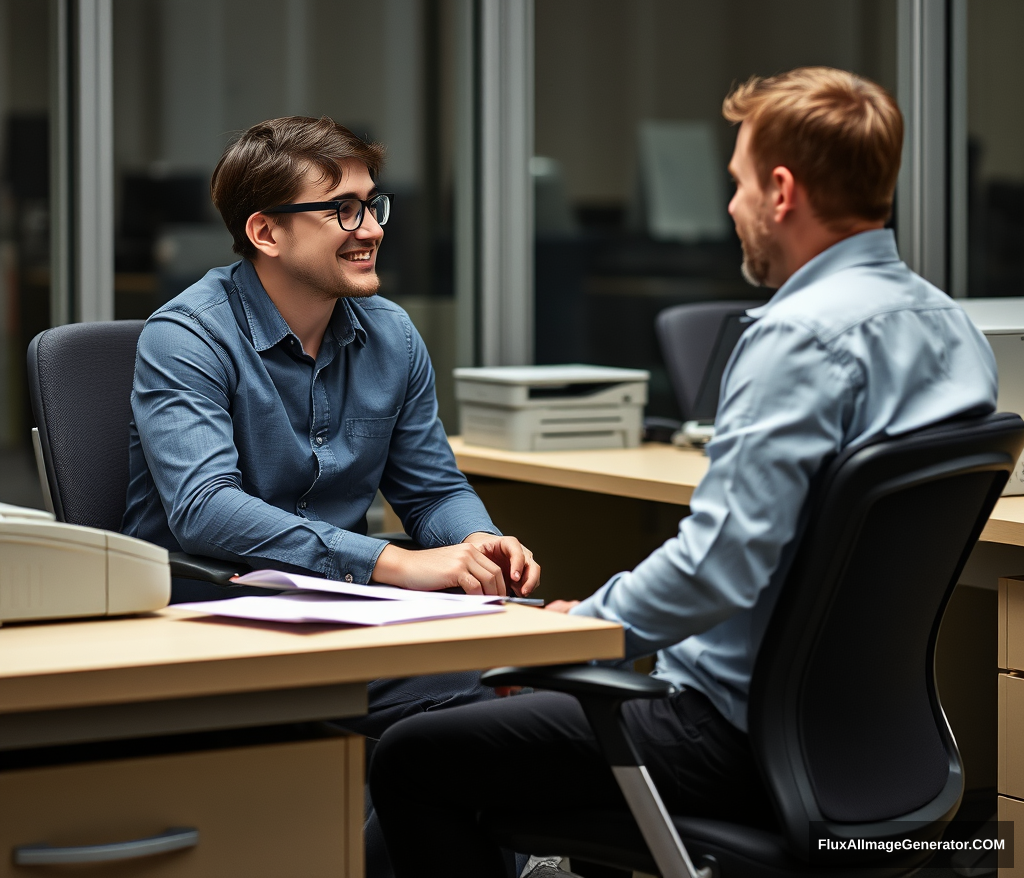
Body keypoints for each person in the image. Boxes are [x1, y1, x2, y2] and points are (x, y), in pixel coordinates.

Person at [368, 67, 999, 878]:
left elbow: (719, 566)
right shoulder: (954, 328)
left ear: (780, 190)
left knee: (416, 756)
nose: (731, 208)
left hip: (730, 736)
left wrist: (581, 629)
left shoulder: (796, 338)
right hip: (872, 740)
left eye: (736, 184)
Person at [123, 115, 539, 736]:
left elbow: (432, 491)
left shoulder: (391, 334)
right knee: (475, 703)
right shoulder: (186, 337)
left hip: (341, 610)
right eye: (343, 210)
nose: (370, 229)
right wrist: (395, 565)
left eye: (372, 206)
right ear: (266, 231)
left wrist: (476, 543)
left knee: (524, 676)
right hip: (210, 613)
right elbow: (205, 510)